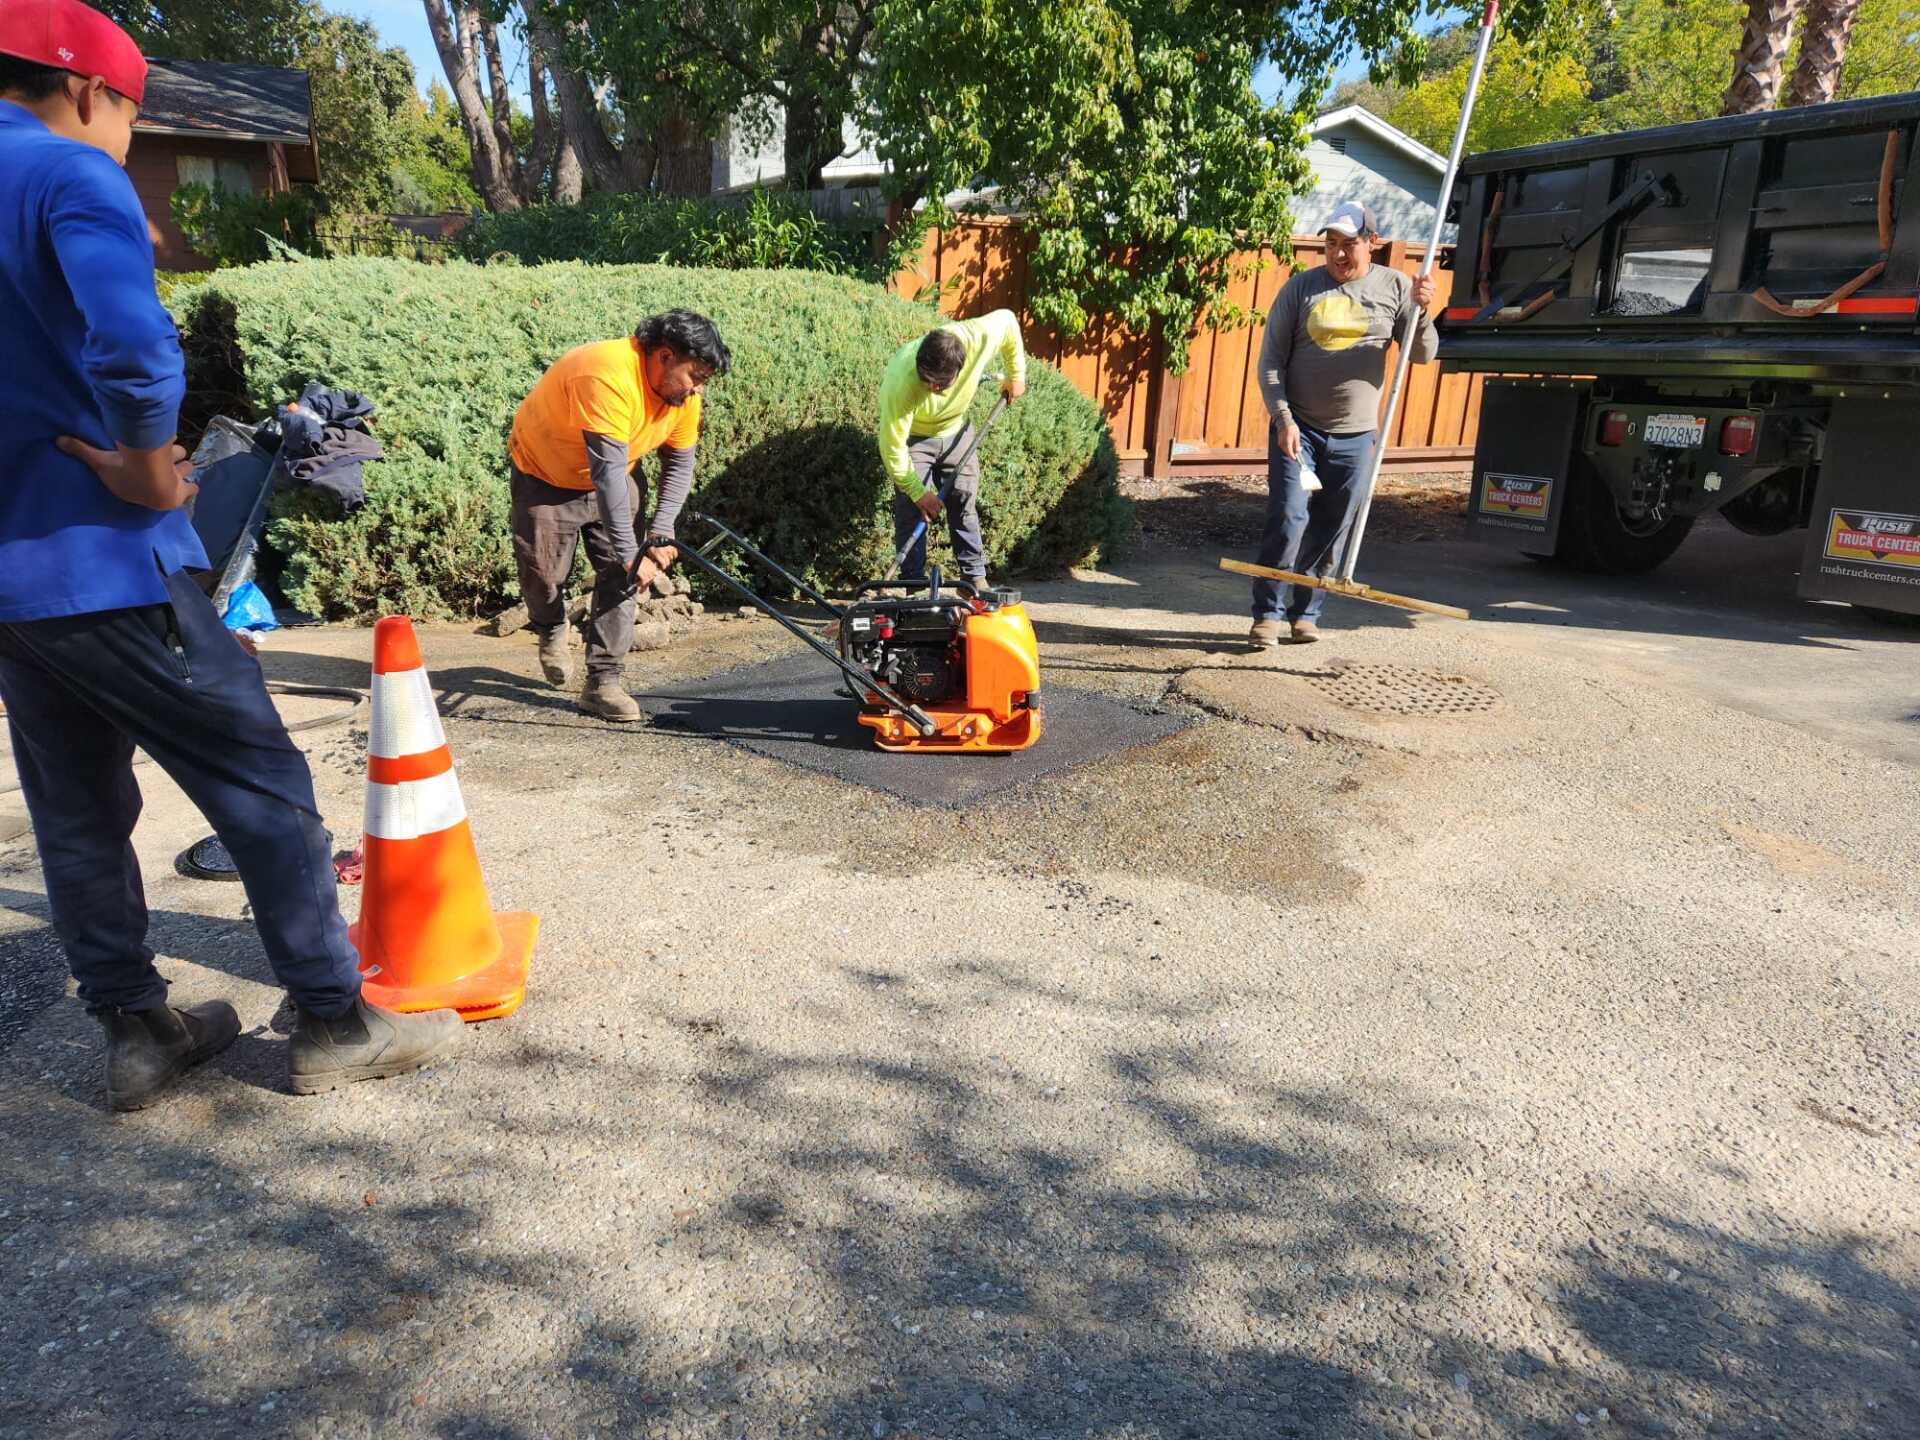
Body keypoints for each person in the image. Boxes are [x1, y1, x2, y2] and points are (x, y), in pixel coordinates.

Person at [0, 0, 463, 1110]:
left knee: (73, 807)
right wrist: (152, 463)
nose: (125, 137)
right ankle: (335, 1020)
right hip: (102, 558)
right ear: (89, 91)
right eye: (132, 114)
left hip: (10, 584)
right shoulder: (68, 173)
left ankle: (138, 1032)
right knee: (260, 781)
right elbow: (133, 340)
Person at [508, 311, 730, 721]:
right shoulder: (607, 373)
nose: (698, 389)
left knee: (621, 577)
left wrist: (661, 533)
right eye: (694, 376)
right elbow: (604, 471)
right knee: (542, 575)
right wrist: (633, 553)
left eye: (704, 381)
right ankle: (551, 628)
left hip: (618, 475)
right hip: (546, 477)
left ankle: (603, 683)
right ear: (664, 356)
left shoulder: (682, 397)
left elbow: (679, 464)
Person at [1249, 201, 1437, 645]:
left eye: (1348, 244)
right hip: (1300, 430)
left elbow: (1424, 353)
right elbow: (1271, 362)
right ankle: (1268, 615)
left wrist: (1423, 311)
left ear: (1371, 243)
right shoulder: (1300, 289)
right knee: (1289, 517)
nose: (1336, 254)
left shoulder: (1395, 287)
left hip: (1357, 436)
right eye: (1330, 244)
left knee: (1332, 528)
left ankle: (1306, 613)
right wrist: (1283, 419)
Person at [876, 309, 1026, 590]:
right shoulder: (902, 381)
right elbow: (893, 448)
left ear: (960, 366)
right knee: (912, 508)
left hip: (957, 431)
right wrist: (919, 493)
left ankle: (973, 579)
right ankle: (913, 587)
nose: (932, 386)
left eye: (940, 384)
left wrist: (1016, 374)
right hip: (915, 437)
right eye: (927, 380)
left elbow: (1007, 320)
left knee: (963, 499)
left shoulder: (976, 337)